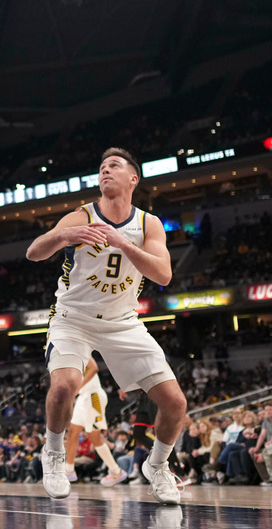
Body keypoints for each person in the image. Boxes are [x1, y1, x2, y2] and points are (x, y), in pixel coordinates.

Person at [26, 147, 187, 504]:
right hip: (74, 318)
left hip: (123, 322)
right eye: (101, 168)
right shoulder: (81, 216)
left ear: (134, 179)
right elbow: (33, 252)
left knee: (175, 403)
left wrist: (123, 243)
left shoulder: (148, 224)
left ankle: (157, 466)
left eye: (114, 166)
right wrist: (62, 237)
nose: (105, 171)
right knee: (66, 384)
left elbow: (163, 274)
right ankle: (52, 455)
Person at [63, 357, 125, 486]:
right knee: (73, 432)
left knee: (95, 437)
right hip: (83, 397)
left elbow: (94, 368)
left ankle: (116, 471)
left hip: (93, 396)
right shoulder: (65, 356)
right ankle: (69, 470)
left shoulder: (79, 349)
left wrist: (75, 390)